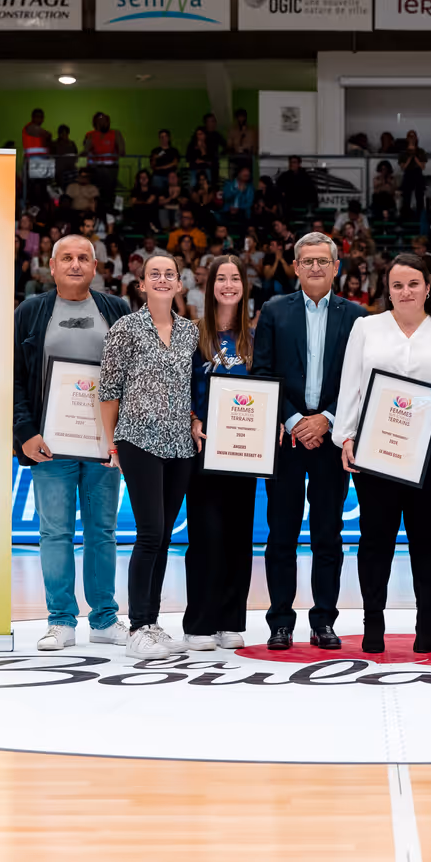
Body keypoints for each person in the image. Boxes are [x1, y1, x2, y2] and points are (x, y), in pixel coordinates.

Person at [336, 253, 431, 654]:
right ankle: (372, 623)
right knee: (374, 539)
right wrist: (346, 436)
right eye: (397, 284)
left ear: (429, 287)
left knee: (428, 540)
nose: (405, 291)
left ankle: (426, 623)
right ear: (388, 290)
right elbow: (351, 387)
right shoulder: (366, 327)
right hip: (377, 452)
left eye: (414, 283)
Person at [12, 235, 132, 651]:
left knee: (103, 532)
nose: (75, 264)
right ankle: (60, 620)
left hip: (102, 445)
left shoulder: (116, 310)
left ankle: (103, 618)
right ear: (51, 265)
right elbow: (14, 377)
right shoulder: (31, 312)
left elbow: (131, 376)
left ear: (96, 267)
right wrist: (24, 431)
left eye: (84, 258)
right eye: (67, 257)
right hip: (50, 445)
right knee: (55, 533)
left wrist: (121, 437)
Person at [252, 233, 367, 650]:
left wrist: (328, 420)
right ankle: (280, 620)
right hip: (286, 440)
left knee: (327, 534)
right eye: (307, 261)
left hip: (332, 441)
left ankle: (324, 621)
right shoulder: (273, 311)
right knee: (280, 534)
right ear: (295, 267)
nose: (315, 267)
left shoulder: (357, 316)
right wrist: (296, 419)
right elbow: (262, 372)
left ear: (336, 267)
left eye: (323, 261)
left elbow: (359, 381)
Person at [100, 251, 200, 658]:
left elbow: (194, 388)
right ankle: (138, 627)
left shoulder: (191, 332)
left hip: (180, 446)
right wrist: (111, 444)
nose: (162, 279)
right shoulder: (125, 328)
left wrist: (194, 419)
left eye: (169, 274)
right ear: (141, 284)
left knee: (163, 540)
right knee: (150, 534)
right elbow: (109, 391)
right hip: (137, 441)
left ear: (179, 284)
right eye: (153, 274)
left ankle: (153, 623)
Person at [184, 255, 257, 650]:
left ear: (244, 287)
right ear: (210, 286)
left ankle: (231, 620)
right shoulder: (193, 334)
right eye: (221, 279)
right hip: (204, 450)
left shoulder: (254, 339)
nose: (228, 285)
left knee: (237, 536)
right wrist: (193, 417)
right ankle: (199, 622)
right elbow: (180, 387)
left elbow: (266, 393)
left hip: (244, 453)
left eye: (235, 279)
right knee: (205, 536)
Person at [84, 112, 124, 208]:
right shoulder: (90, 135)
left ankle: (109, 213)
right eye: (102, 120)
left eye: (106, 120)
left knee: (109, 193)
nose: (105, 122)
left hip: (110, 168)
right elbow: (86, 150)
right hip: (95, 168)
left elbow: (122, 151)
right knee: (95, 193)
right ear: (96, 122)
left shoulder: (116, 133)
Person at [399, 130, 429, 215]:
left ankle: (420, 213)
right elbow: (403, 167)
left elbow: (422, 166)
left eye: (413, 137)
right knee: (406, 195)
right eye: (410, 137)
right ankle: (406, 213)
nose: (412, 139)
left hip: (417, 173)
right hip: (408, 174)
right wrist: (409, 158)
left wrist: (415, 157)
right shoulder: (403, 153)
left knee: (419, 195)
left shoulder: (420, 151)